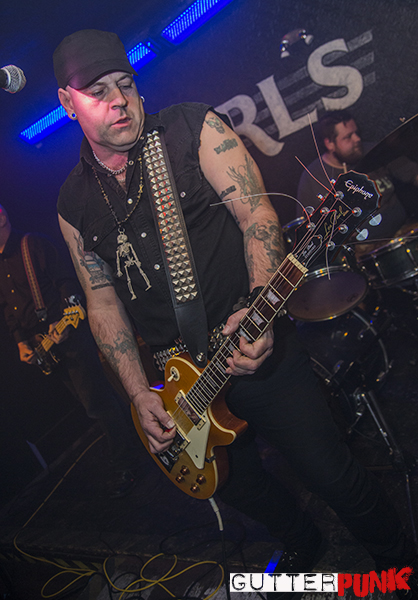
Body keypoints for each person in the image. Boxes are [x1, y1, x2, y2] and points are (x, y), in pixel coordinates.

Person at [53, 29, 416, 598]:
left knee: (332, 473)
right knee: (239, 487)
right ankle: (302, 541)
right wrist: (137, 392)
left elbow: (258, 216)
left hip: (253, 346)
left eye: (125, 83)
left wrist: (260, 309)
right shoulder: (72, 204)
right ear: (67, 103)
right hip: (181, 384)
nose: (119, 100)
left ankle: (400, 567)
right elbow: (102, 302)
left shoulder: (193, 129)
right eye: (98, 92)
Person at [0, 204, 144, 498]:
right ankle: (138, 443)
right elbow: (9, 308)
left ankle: (127, 464)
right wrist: (20, 342)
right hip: (43, 347)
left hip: (69, 333)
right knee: (94, 403)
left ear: (3, 216)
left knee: (97, 403)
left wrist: (65, 317)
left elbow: (68, 282)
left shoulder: (34, 244)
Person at [297, 110, 418, 254]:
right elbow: (309, 230)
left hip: (403, 231)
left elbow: (413, 174)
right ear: (329, 144)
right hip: (364, 252)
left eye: (356, 132)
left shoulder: (375, 151)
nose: (357, 139)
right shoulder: (313, 177)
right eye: (348, 137)